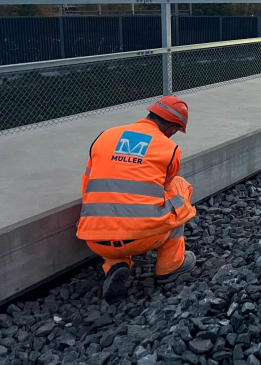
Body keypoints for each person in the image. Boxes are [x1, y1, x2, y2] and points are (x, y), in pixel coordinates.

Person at [76, 96, 197, 302]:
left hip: (94, 237)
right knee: (179, 192)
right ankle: (170, 266)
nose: (174, 135)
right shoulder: (170, 150)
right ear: (171, 126)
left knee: (110, 204)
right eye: (176, 130)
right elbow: (164, 188)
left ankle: (115, 264)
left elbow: (87, 187)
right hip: (142, 237)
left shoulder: (104, 137)